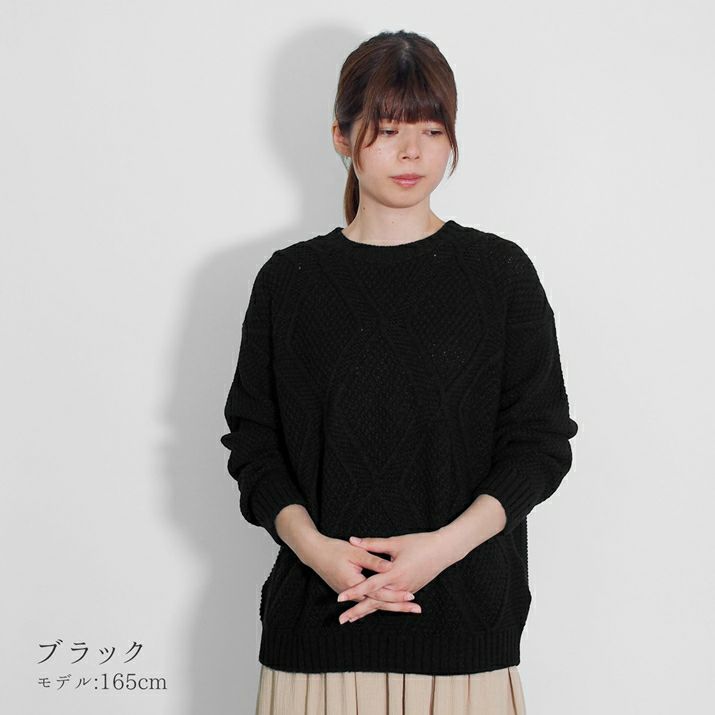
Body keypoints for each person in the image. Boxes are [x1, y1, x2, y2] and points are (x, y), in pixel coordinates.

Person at [220, 29, 578, 715]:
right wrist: (318, 553)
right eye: (387, 131)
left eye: (432, 131)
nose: (412, 152)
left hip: (464, 635)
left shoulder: (499, 274)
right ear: (341, 136)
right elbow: (254, 445)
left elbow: (539, 444)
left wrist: (439, 551)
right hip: (316, 634)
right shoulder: (289, 282)